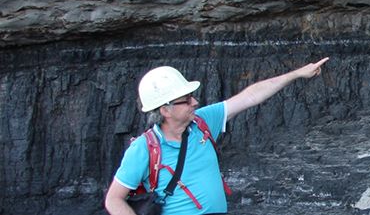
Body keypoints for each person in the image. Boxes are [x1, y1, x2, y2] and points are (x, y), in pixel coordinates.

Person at [105, 57, 329, 215]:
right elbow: (114, 199)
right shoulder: (144, 148)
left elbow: (250, 97)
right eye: (187, 99)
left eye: (192, 96)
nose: (195, 102)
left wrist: (297, 74)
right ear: (165, 110)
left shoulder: (202, 122)